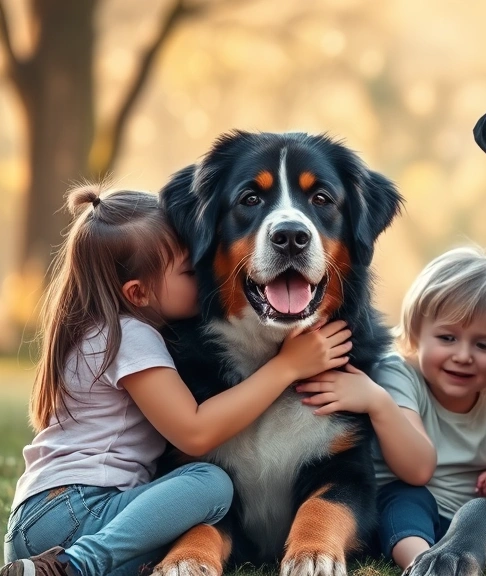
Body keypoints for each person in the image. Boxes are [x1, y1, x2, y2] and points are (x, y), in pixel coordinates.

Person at [2, 186, 351, 576]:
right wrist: (287, 367)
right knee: (211, 483)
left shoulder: (96, 330)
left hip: (42, 517)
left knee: (170, 541)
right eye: (189, 271)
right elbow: (195, 432)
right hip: (76, 511)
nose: (203, 277)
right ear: (138, 293)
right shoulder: (131, 337)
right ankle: (74, 566)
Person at [296, 246, 486, 568]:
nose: (463, 356)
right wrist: (378, 402)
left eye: (484, 345)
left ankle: (461, 555)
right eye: (447, 338)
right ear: (417, 334)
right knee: (405, 497)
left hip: (464, 522)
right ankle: (421, 563)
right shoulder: (399, 374)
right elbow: (417, 470)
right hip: (401, 514)